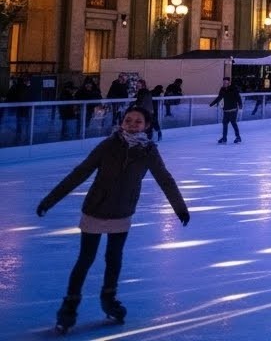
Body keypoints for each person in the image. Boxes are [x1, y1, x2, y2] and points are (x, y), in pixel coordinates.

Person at [36, 106, 190, 332]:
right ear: (122, 122)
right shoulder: (109, 145)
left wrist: (180, 208)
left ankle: (109, 299)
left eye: (138, 121)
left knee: (114, 257)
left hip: (122, 211)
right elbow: (81, 172)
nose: (132, 124)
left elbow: (165, 179)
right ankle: (69, 307)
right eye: (128, 120)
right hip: (96, 209)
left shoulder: (148, 151)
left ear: (146, 125)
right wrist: (50, 200)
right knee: (85, 259)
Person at [208, 77, 242, 144]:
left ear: (229, 82)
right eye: (224, 82)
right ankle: (224, 138)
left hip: (233, 109)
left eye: (226, 82)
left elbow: (238, 97)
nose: (225, 83)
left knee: (233, 123)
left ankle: (238, 137)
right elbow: (219, 97)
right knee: (225, 124)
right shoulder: (222, 89)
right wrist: (212, 104)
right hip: (226, 110)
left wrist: (240, 105)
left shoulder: (233, 88)